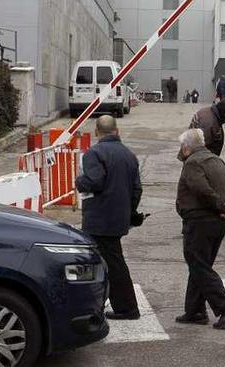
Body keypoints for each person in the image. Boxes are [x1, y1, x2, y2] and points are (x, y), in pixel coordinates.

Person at [175, 129, 225, 329]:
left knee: (199, 266)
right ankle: (195, 311)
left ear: (187, 147)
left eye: (182, 147)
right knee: (200, 265)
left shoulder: (193, 163)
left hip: (199, 222)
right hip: (216, 223)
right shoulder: (216, 160)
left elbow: (201, 189)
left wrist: (222, 206)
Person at [76, 115, 142, 320]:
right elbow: (137, 189)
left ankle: (126, 308)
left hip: (99, 220)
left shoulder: (93, 154)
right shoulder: (129, 155)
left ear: (96, 132)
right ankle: (105, 304)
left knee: (109, 264)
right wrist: (129, 213)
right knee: (109, 261)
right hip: (118, 219)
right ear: (117, 131)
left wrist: (80, 181)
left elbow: (94, 181)